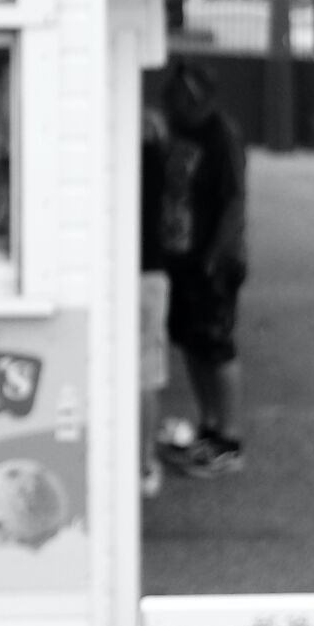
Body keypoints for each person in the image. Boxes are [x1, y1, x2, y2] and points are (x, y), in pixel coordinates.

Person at [156, 60, 248, 477]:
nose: (177, 103)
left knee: (216, 343)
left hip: (213, 259)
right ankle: (208, 426)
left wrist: (216, 256)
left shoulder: (221, 136)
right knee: (192, 343)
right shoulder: (178, 130)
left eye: (185, 96)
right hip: (180, 255)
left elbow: (234, 202)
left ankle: (229, 438)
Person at [138, 104, 172, 500]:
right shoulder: (160, 163)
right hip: (151, 273)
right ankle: (144, 462)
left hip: (126, 270)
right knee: (145, 374)